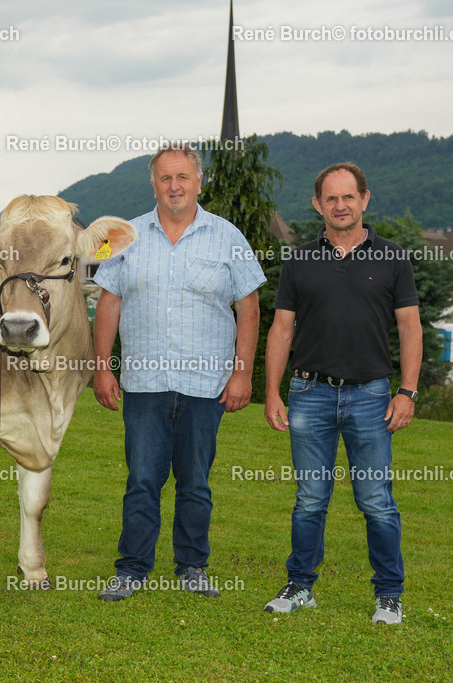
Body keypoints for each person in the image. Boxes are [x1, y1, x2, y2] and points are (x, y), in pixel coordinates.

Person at [92, 143, 265, 602]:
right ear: (154, 184)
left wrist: (242, 373)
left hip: (205, 385)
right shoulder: (126, 236)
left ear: (198, 182)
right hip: (144, 384)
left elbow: (248, 306)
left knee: (195, 482)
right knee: (142, 480)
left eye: (183, 177)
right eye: (165, 178)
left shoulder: (226, 236)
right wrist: (101, 368)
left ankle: (192, 566)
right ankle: (131, 569)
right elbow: (108, 301)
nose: (174, 186)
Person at [262, 162, 422, 625]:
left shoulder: (393, 258)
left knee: (376, 499)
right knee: (310, 497)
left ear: (364, 199)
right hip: (309, 393)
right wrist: (272, 392)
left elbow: (410, 328)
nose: (340, 205)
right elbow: (282, 328)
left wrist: (407, 392)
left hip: (372, 397)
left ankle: (389, 594)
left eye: (348, 196)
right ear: (317, 206)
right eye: (330, 198)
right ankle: (300, 586)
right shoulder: (300, 260)